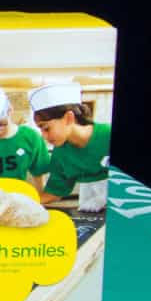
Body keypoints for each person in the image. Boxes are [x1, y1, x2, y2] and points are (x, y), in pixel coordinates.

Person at [30, 83, 111, 211]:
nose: (44, 136)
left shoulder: (108, 135)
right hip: (90, 208)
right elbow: (54, 192)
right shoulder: (60, 153)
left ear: (68, 118)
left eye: (46, 128)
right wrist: (24, 203)